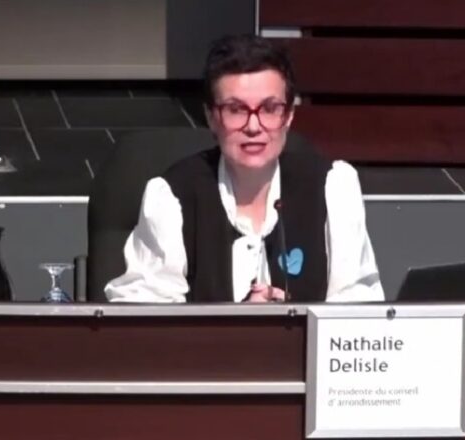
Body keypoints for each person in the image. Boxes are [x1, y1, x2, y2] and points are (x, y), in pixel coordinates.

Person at [105, 34, 383, 303]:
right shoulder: (173, 197)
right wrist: (242, 324)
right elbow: (146, 312)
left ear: (288, 116)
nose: (253, 126)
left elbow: (357, 306)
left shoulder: (333, 188)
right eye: (236, 109)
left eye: (269, 108)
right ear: (211, 117)